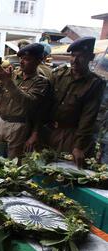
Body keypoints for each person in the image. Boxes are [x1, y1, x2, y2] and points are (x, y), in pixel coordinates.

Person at [40, 37, 105, 167]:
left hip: (72, 136)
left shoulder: (94, 83)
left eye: (81, 56)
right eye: (73, 55)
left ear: (90, 57)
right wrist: (36, 132)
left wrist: (79, 146)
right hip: (50, 131)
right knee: (41, 169)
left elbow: (88, 116)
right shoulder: (58, 75)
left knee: (64, 171)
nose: (75, 60)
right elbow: (43, 106)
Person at [0, 43, 50, 159]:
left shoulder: (40, 82)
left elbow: (29, 102)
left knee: (12, 162)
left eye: (27, 59)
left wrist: (8, 82)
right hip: (2, 121)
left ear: (38, 61)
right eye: (21, 58)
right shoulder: (14, 75)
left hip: (19, 126)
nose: (22, 62)